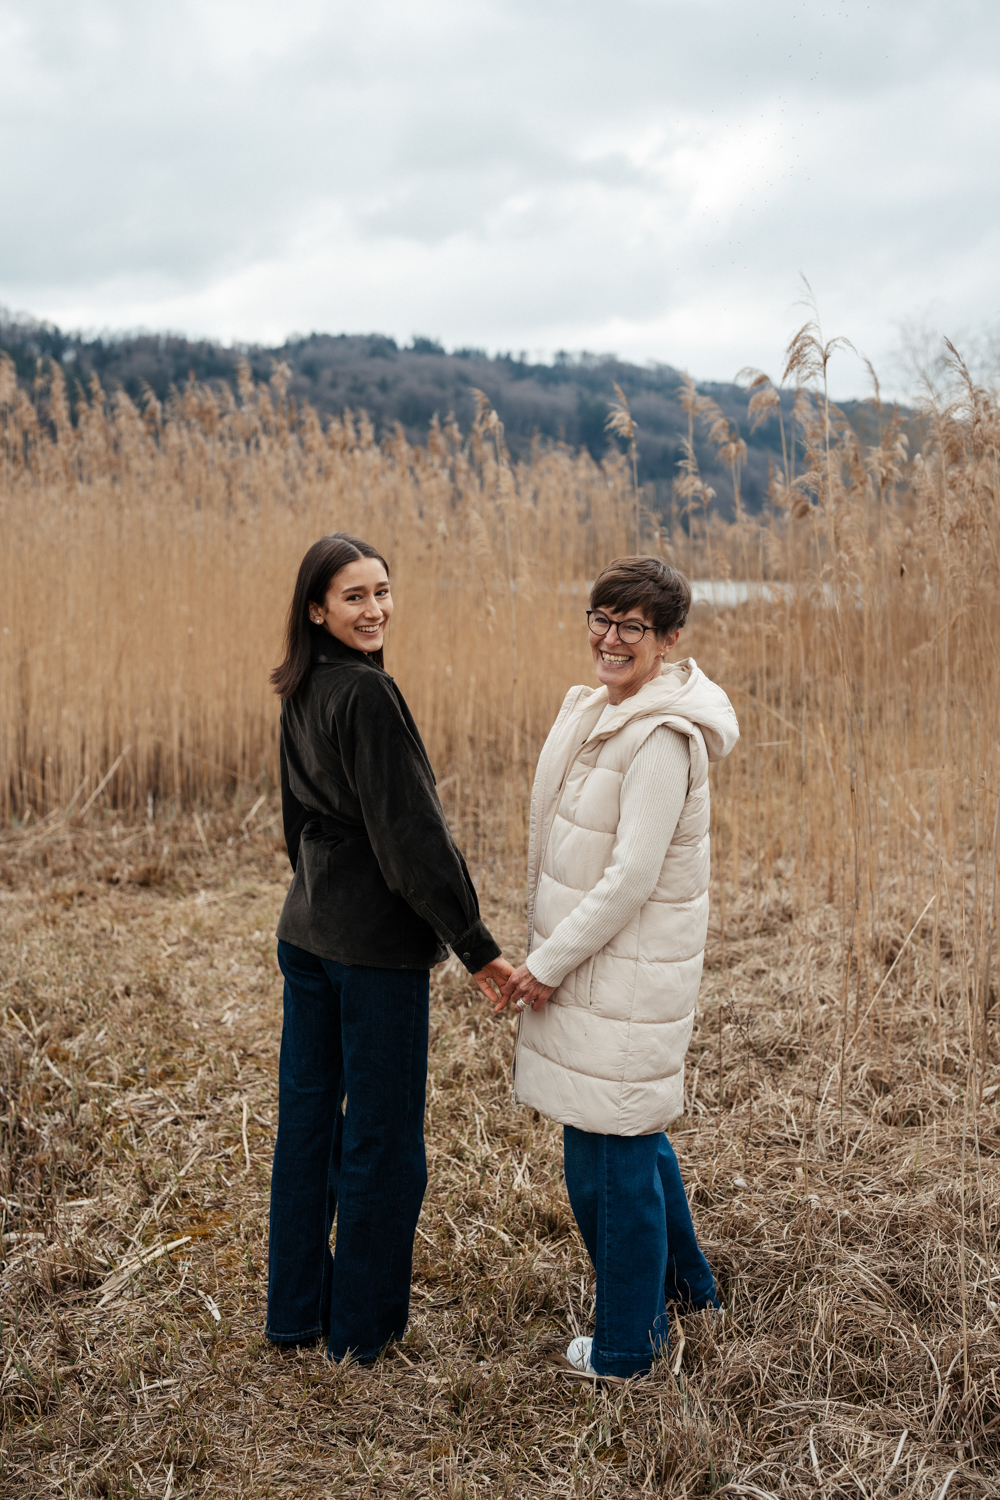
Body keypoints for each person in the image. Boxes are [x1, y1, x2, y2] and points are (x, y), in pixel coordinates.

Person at [266, 532, 512, 1364]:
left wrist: (317, 891)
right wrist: (476, 946)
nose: (375, 609)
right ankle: (361, 1335)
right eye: (354, 597)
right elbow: (412, 838)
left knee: (306, 1123)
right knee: (382, 1139)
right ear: (316, 609)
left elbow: (296, 821)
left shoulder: (302, 683)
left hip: (307, 933)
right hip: (371, 952)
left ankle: (296, 1314)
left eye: (382, 591)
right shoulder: (367, 693)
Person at [497, 556, 739, 1381]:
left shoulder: (661, 738)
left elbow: (631, 875)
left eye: (632, 625)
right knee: (633, 1140)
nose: (611, 637)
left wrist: (546, 964)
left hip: (620, 977)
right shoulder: (604, 712)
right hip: (601, 970)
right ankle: (690, 1295)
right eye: (602, 618)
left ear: (668, 640)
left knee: (609, 1164)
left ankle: (628, 1349)